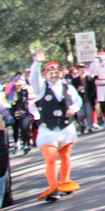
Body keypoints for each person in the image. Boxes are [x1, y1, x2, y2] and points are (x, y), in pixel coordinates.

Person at [28, 49, 83, 202]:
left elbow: (78, 101)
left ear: (61, 73)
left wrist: (74, 109)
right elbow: (33, 79)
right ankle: (52, 188)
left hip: (66, 128)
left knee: (65, 157)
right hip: (48, 130)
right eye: (49, 71)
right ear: (45, 74)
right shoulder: (40, 89)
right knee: (50, 159)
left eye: (56, 71)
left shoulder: (69, 88)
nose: (53, 73)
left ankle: (65, 183)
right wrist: (37, 63)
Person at [69, 65, 96, 134]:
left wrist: (95, 98)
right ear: (78, 71)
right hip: (79, 100)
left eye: (83, 70)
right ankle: (82, 125)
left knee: (89, 113)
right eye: (81, 70)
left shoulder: (88, 79)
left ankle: (90, 126)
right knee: (80, 114)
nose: (82, 71)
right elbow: (72, 90)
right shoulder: (75, 80)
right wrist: (77, 90)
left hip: (88, 99)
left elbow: (93, 89)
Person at [9, 78, 33, 153]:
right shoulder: (11, 93)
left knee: (24, 128)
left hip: (24, 113)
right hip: (14, 114)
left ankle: (26, 145)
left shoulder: (24, 92)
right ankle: (16, 144)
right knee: (15, 130)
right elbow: (9, 103)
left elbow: (27, 102)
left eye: (20, 85)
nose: (18, 86)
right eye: (17, 85)